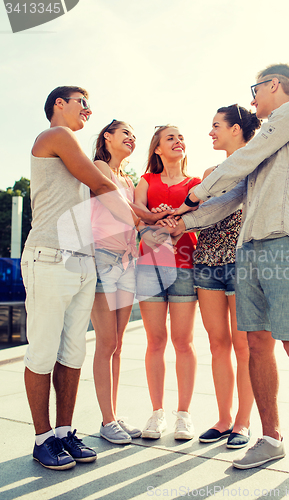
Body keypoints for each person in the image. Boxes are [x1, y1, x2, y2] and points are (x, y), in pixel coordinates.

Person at [173, 64, 289, 477]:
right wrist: (181, 219)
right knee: (258, 346)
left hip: (285, 244)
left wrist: (192, 193)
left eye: (256, 89)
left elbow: (243, 158)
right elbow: (231, 199)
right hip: (249, 249)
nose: (252, 100)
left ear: (275, 85)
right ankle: (271, 439)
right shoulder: (265, 144)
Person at [21, 87, 171, 470]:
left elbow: (112, 193)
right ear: (59, 105)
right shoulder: (56, 136)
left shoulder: (76, 151)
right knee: (42, 351)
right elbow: (104, 187)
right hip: (50, 255)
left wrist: (151, 219)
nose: (88, 109)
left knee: (72, 352)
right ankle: (42, 438)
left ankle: (63, 431)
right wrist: (147, 221)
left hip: (82, 260)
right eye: (81, 102)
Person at [193, 105, 261, 448]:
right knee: (217, 344)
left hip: (241, 260)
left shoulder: (257, 162)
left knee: (244, 344)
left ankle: (243, 421)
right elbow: (200, 213)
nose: (211, 132)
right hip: (207, 260)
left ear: (236, 128)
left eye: (216, 125)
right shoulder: (211, 171)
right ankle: (222, 419)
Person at [134, 125, 201, 440]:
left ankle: (184, 415)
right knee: (156, 342)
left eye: (181, 136)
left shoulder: (196, 183)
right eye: (171, 137)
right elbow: (137, 219)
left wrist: (177, 218)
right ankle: (157, 413)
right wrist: (154, 219)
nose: (179, 141)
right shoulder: (146, 181)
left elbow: (202, 222)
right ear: (157, 149)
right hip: (150, 267)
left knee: (183, 342)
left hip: (186, 266)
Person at [90, 120, 141, 444]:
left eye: (134, 136)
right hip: (103, 258)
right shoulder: (98, 168)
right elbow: (125, 213)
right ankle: (106, 420)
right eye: (125, 133)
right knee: (106, 342)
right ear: (107, 137)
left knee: (118, 345)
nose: (131, 139)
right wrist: (149, 217)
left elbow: (134, 218)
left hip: (126, 261)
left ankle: (114, 415)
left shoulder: (127, 179)